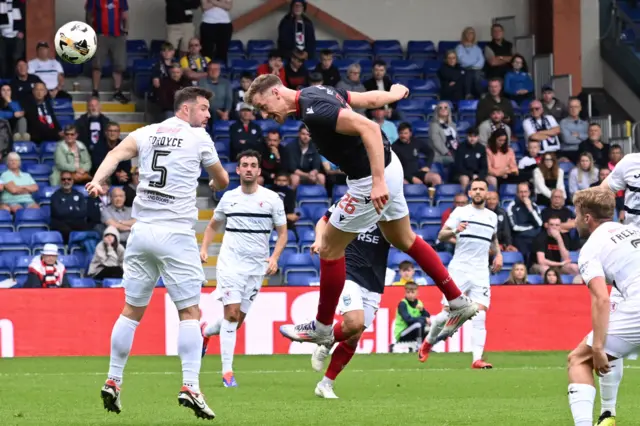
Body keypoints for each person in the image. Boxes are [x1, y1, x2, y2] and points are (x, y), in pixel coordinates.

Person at [244, 74, 476, 346]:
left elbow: (370, 128)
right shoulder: (317, 92)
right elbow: (367, 100)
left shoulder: (314, 109)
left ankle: (322, 326)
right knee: (403, 239)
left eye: (263, 106)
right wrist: (393, 94)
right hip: (389, 166)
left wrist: (377, 181)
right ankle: (457, 300)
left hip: (372, 178)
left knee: (329, 246)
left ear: (275, 93)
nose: (265, 114)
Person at [85, 86, 229, 420]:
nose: (208, 115)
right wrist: (216, 181)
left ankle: (113, 379)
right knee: (190, 313)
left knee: (131, 311)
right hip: (175, 233)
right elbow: (221, 179)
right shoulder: (198, 138)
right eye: (204, 108)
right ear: (186, 109)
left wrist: (97, 180)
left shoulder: (147, 133)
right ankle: (190, 385)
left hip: (141, 232)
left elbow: (115, 154)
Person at [199, 150, 287, 388]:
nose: (249, 168)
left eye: (253, 165)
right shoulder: (229, 198)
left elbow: (282, 234)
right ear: (238, 170)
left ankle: (206, 330)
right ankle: (227, 373)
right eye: (244, 165)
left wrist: (274, 257)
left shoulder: (272, 200)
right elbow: (212, 226)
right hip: (230, 264)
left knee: (236, 321)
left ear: (259, 170)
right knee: (231, 314)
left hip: (256, 267)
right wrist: (204, 249)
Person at [566, 187, 638, 426]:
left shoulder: (590, 248)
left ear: (587, 218)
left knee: (578, 360)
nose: (574, 221)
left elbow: (601, 299)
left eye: (576, 215)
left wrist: (597, 347)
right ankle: (608, 414)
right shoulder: (632, 231)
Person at [308, 203, 392, 398]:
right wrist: (320, 240)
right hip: (348, 271)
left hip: (374, 279)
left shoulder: (390, 205)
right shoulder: (353, 198)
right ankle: (326, 341)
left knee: (354, 336)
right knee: (354, 322)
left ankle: (325, 384)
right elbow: (323, 220)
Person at [420, 178, 501, 368]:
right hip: (460, 269)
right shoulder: (461, 212)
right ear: (470, 193)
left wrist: (499, 255)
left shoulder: (492, 216)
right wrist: (456, 230)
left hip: (480, 271)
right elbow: (441, 235)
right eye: (475, 189)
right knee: (447, 313)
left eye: (482, 189)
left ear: (487, 193)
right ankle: (428, 343)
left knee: (480, 315)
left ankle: (477, 359)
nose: (479, 192)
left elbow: (494, 238)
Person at [393, 282, 431, 350]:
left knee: (429, 327)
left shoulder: (419, 303)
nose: (410, 294)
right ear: (405, 293)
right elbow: (408, 320)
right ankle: (420, 348)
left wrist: (422, 310)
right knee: (419, 324)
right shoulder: (403, 304)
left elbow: (427, 317)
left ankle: (427, 348)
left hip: (413, 331)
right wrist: (424, 319)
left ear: (417, 293)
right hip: (402, 333)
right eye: (408, 292)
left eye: (412, 292)